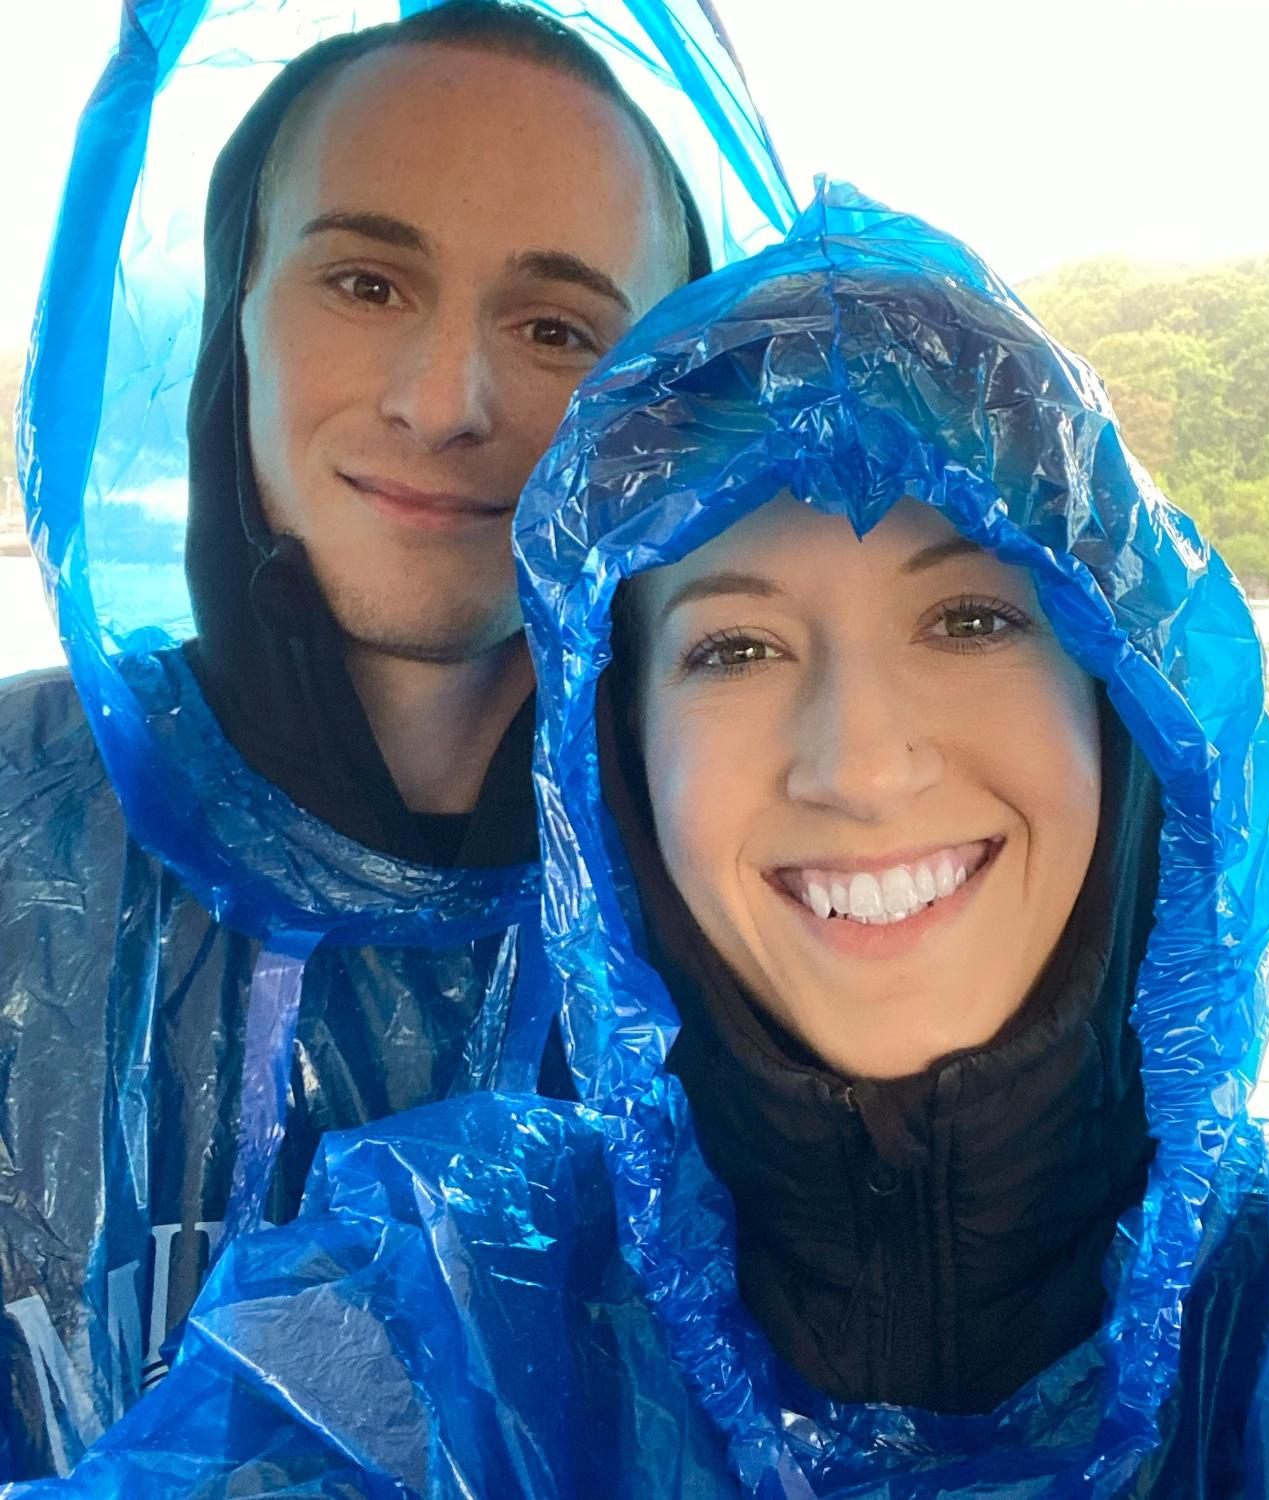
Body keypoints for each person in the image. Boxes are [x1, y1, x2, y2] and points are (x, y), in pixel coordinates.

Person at [10, 185, 1269, 1499]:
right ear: (618, 771)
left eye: (970, 618)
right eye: (733, 650)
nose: (859, 764)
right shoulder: (443, 1313)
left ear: (1131, 709)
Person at [0, 0, 755, 1477]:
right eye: (364, 280)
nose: (442, 403)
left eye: (555, 326)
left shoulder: (767, 869)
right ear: (236, 312)